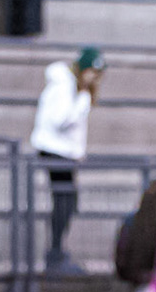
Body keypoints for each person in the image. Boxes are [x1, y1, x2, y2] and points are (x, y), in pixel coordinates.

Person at [29, 46, 103, 275]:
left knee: (68, 202)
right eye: (91, 71)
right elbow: (61, 120)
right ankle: (55, 254)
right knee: (64, 202)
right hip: (55, 152)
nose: (94, 78)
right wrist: (83, 100)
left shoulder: (72, 86)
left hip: (63, 153)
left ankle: (57, 252)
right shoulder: (64, 86)